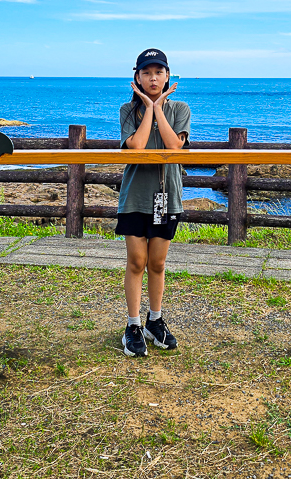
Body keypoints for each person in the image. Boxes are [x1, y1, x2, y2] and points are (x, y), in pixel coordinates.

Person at [117, 48, 190, 357]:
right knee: (137, 261)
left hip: (166, 196)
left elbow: (174, 146)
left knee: (157, 263)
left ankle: (155, 321)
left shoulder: (180, 108)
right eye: (146, 72)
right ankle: (133, 325)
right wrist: (148, 107)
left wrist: (159, 107)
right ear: (137, 77)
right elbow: (136, 147)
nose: (153, 78)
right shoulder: (127, 110)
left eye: (159, 72)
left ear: (168, 76)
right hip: (135, 195)